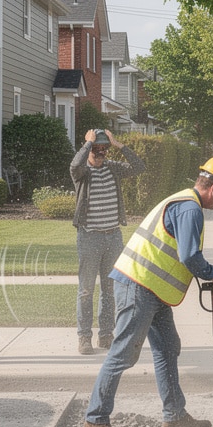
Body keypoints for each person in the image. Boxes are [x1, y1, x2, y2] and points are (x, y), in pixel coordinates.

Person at [82, 156, 213, 427]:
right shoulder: (190, 208)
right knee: (123, 353)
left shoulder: (184, 202)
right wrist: (212, 274)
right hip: (138, 286)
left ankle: (175, 416)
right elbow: (189, 256)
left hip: (151, 290)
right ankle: (95, 419)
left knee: (168, 348)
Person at [70, 128, 146, 355]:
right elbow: (74, 166)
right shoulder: (82, 172)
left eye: (104, 148)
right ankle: (84, 338)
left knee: (110, 289)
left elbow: (139, 167)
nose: (100, 152)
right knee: (85, 290)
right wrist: (87, 144)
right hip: (89, 237)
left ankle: (105, 335)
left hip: (113, 237)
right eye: (96, 149)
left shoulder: (113, 168)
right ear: (89, 150)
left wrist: (119, 145)